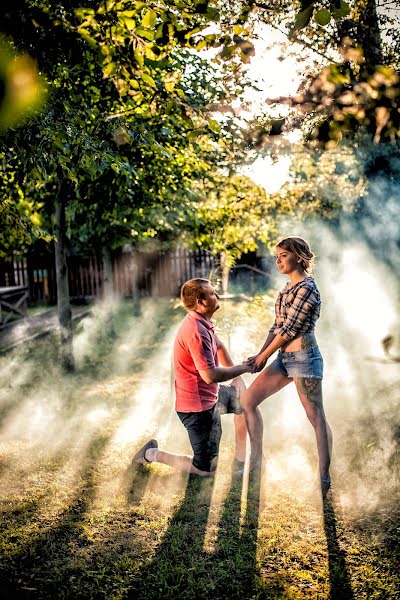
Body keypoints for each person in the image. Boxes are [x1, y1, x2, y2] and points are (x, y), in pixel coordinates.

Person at [241, 237, 333, 496]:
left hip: (304, 358)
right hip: (284, 359)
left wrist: (263, 359)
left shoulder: (308, 289)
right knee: (247, 401)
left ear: (299, 256)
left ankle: (323, 476)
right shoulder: (286, 289)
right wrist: (260, 355)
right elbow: (277, 327)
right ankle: (257, 461)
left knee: (316, 418)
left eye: (283, 255)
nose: (277, 260)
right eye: (276, 256)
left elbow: (291, 330)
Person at [132, 278, 252, 476]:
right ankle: (151, 453)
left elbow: (219, 346)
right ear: (201, 302)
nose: (218, 295)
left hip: (210, 396)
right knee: (207, 471)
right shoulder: (196, 331)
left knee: (245, 400)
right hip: (198, 408)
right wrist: (242, 369)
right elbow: (210, 375)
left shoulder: (203, 322)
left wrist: (236, 378)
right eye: (213, 293)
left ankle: (240, 461)